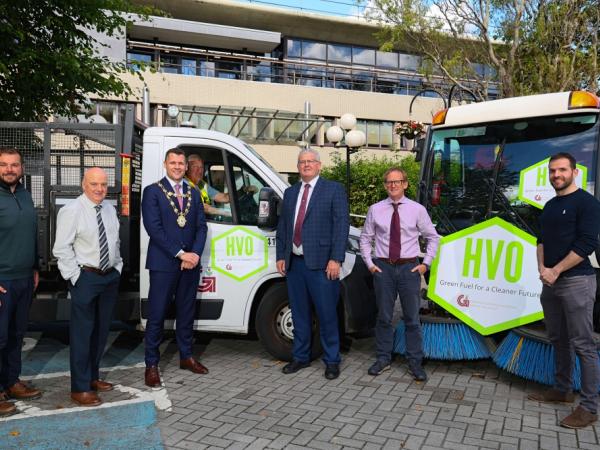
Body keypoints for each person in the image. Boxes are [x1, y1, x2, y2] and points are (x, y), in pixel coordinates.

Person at [528, 152, 600, 429]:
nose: (556, 175)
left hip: (577, 282)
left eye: (562, 170)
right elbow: (541, 240)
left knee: (584, 344)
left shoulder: (588, 203)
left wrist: (556, 270)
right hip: (551, 282)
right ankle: (562, 389)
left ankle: (590, 407)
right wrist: (543, 269)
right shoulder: (549, 205)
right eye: (552, 171)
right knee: (558, 338)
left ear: (574, 172)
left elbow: (586, 245)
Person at [359, 167, 439, 381]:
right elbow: (365, 238)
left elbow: (433, 237)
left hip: (409, 269)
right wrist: (369, 263)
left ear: (405, 184)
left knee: (412, 318)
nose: (392, 185)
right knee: (384, 317)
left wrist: (425, 264)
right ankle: (383, 358)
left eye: (397, 181)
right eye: (389, 182)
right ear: (385, 185)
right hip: (383, 268)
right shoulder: (375, 210)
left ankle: (415, 362)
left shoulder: (417, 210)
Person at [276, 148, 348, 380]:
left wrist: (336, 258)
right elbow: (284, 228)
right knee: (299, 314)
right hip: (295, 264)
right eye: (302, 162)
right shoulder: (290, 192)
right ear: (298, 166)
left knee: (327, 314)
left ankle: (332, 360)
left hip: (322, 265)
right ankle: (300, 357)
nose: (306, 165)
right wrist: (281, 255)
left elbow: (341, 226)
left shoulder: (333, 190)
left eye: (310, 161)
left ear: (319, 165)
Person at [53, 167, 123, 407]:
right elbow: (61, 248)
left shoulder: (109, 209)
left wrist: (118, 267)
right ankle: (80, 388)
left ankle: (92, 377)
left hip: (109, 278)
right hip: (86, 278)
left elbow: (115, 241)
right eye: (94, 184)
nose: (99, 189)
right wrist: (75, 278)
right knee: (83, 335)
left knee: (101, 332)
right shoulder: (72, 210)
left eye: (103, 184)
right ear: (84, 184)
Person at [142, 148, 208, 388]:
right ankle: (151, 364)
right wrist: (181, 254)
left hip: (189, 264)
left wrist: (195, 255)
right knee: (157, 314)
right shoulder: (152, 192)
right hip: (164, 263)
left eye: (181, 163)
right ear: (165, 164)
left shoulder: (194, 192)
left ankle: (186, 357)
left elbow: (201, 227)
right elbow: (154, 229)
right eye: (174, 163)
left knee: (186, 312)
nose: (178, 166)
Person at [0, 147, 42, 416]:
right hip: (2, 281)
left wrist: (35, 266)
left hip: (25, 278)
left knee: (16, 336)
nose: (9, 169)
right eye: (4, 165)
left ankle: (12, 382)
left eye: (14, 165)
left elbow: (31, 233)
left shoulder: (25, 195)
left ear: (22, 168)